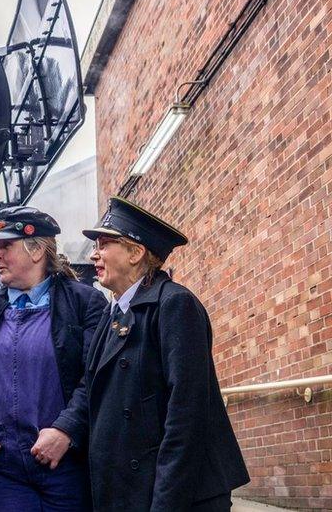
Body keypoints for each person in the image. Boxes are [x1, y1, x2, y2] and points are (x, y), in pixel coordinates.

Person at [51, 197, 250, 511]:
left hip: (177, 493)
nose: (93, 255)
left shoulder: (174, 305)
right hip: (128, 489)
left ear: (135, 252)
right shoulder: (113, 312)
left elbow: (187, 413)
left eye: (103, 244)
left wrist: (167, 502)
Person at [0, 206, 107, 511]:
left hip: (65, 466)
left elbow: (96, 376)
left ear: (36, 251)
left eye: (6, 246)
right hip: (2, 472)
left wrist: (66, 429)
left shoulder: (84, 303)